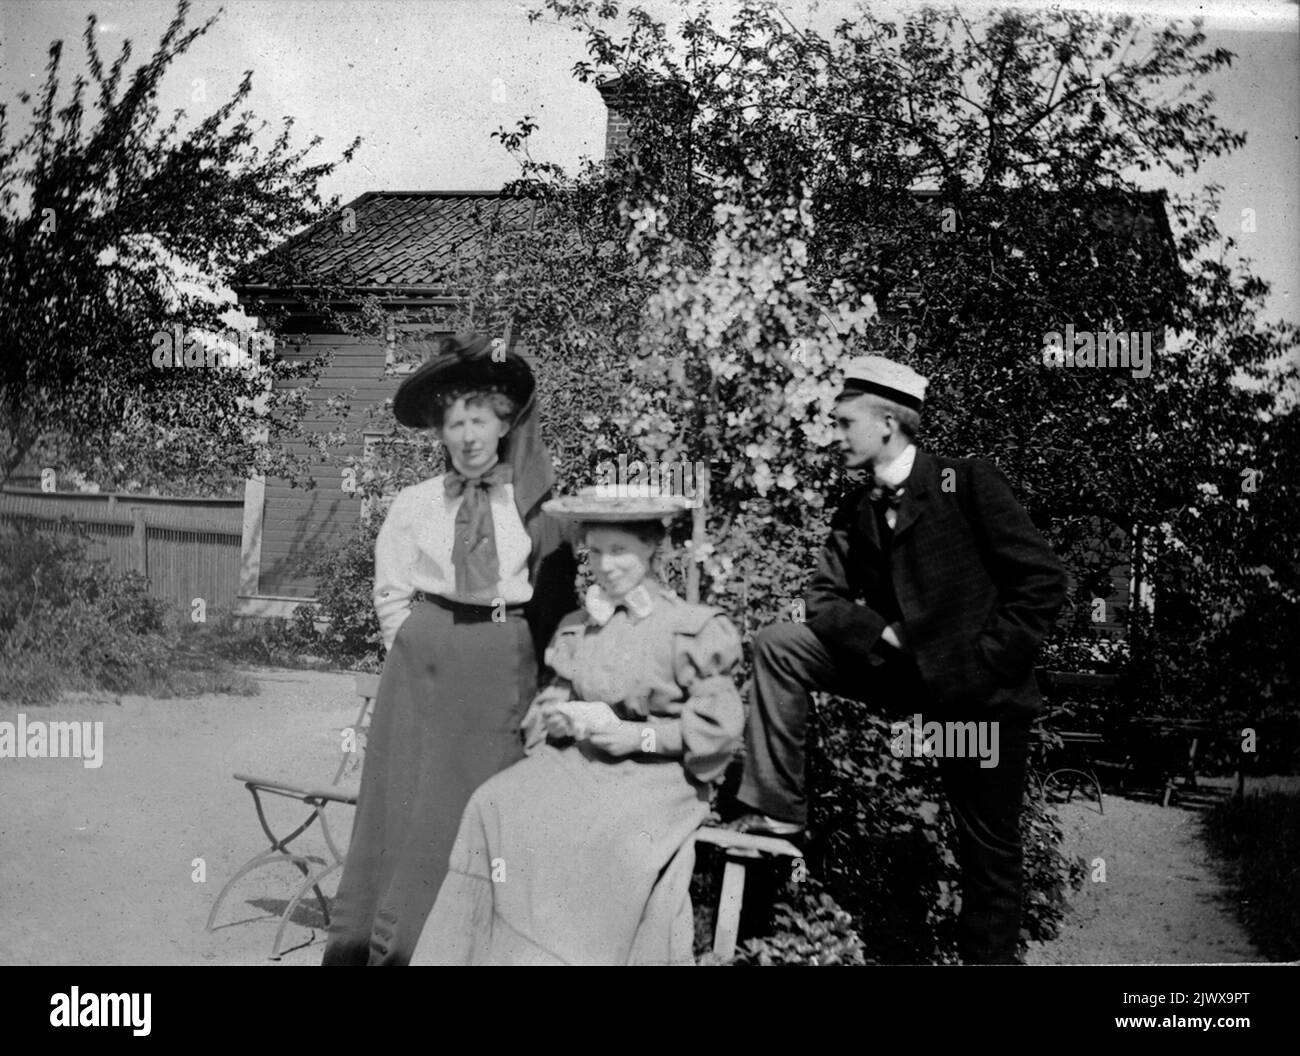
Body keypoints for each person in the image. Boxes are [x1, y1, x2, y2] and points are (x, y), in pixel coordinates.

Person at [729, 354, 1069, 965]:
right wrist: (885, 635)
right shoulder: (855, 508)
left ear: (886, 423)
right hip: (900, 679)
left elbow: (1041, 581)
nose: (833, 436)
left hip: (979, 700)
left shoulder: (967, 483)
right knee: (781, 643)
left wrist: (985, 662)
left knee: (986, 856)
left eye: (843, 422)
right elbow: (822, 599)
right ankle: (776, 812)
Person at [321, 332, 576, 966]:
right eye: (454, 423)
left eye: (479, 420)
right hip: (423, 668)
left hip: (500, 669)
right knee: (405, 812)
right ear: (440, 431)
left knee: (471, 810)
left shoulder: (539, 512)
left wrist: (536, 682)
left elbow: (553, 608)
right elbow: (391, 594)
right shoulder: (414, 505)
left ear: (504, 425)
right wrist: (415, 651)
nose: (466, 436)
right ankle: (385, 950)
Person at [410, 491, 744, 966]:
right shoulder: (578, 626)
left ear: (651, 547)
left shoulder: (692, 629)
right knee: (494, 802)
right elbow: (556, 700)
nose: (606, 566)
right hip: (576, 764)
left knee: (597, 839)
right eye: (597, 551)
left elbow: (718, 730)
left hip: (656, 778)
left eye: (620, 551)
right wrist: (558, 714)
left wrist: (638, 736)